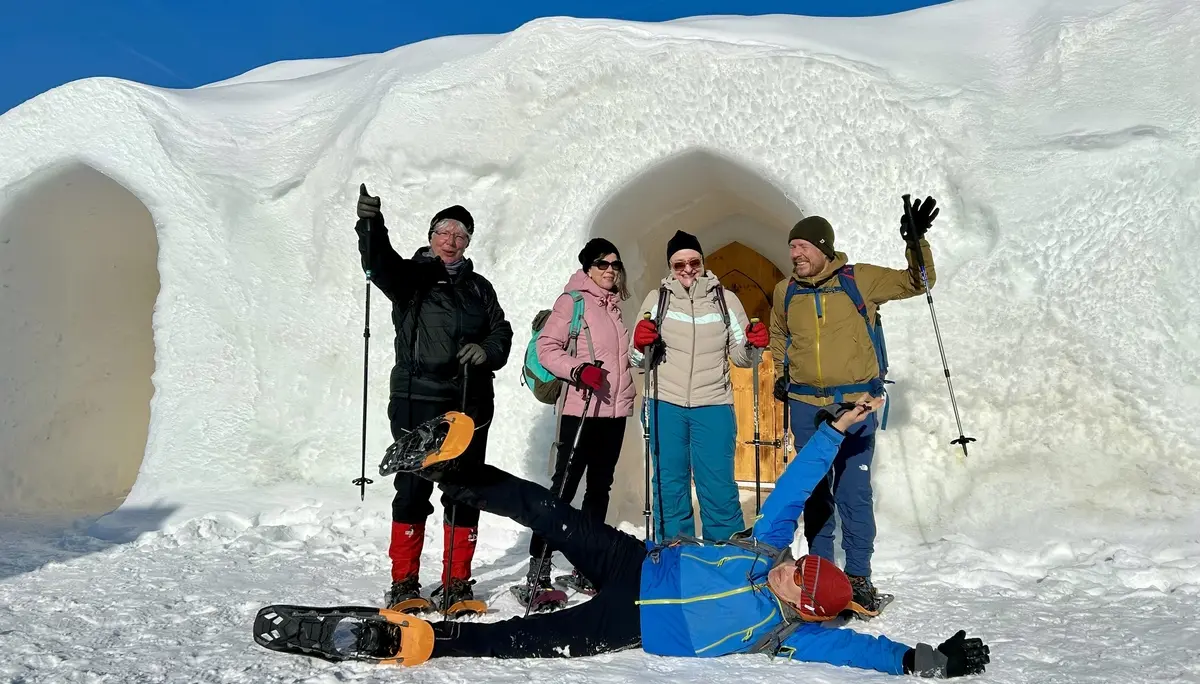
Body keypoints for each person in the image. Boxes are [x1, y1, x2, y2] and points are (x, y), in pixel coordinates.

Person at [306, 395, 989, 678]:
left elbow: (854, 648)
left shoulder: (790, 635)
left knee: (527, 643)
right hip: (638, 561)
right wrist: (835, 433)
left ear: (803, 607)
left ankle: (416, 640)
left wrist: (916, 660)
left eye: (796, 582)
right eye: (797, 566)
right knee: (550, 511)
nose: (787, 570)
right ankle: (454, 466)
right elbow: (793, 489)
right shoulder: (770, 546)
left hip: (628, 618)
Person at [768, 196, 940, 613]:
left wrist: (915, 242)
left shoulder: (859, 279)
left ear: (823, 248)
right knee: (815, 494)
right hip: (807, 406)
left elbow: (919, 282)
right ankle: (820, 574)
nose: (795, 254)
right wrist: (780, 373)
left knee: (854, 492)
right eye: (792, 247)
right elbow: (778, 334)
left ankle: (859, 577)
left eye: (803, 246)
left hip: (857, 403)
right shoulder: (784, 290)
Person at [354, 183, 514, 612]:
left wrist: (488, 351)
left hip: (469, 403)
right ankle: (404, 583)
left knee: (463, 489)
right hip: (417, 399)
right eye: (445, 231)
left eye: (461, 235)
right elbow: (379, 264)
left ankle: (456, 583)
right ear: (430, 236)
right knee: (412, 487)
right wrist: (371, 224)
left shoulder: (480, 288)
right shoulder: (411, 279)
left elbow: (502, 330)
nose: (452, 240)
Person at [629, 230, 769, 542]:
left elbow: (742, 355)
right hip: (665, 403)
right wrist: (640, 343)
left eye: (693, 262)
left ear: (703, 262)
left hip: (713, 404)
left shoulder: (724, 300)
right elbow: (637, 360)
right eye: (679, 265)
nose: (688, 269)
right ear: (670, 267)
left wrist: (753, 345)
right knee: (669, 486)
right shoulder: (657, 300)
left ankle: (724, 557)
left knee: (718, 486)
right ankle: (675, 556)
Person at [517, 237, 636, 602]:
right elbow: (546, 348)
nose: (610, 270)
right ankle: (539, 570)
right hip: (580, 410)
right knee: (563, 489)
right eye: (602, 264)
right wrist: (578, 370)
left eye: (615, 264)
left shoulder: (614, 307)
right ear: (588, 268)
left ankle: (588, 566)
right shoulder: (573, 302)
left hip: (613, 412)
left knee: (600, 489)